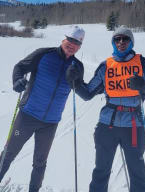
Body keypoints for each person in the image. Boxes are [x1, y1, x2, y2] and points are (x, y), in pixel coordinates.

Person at [66, 25, 145, 192]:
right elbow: (88, 93)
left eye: (125, 38)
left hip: (134, 126)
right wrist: (74, 82)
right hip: (107, 126)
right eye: (117, 39)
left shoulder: (143, 63)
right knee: (101, 171)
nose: (121, 42)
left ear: (131, 41)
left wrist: (144, 88)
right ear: (113, 42)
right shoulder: (106, 66)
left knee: (137, 173)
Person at [0, 25, 85, 192]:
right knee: (9, 152)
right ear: (63, 39)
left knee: (40, 162)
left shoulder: (77, 66)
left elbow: (81, 89)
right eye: (70, 40)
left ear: (80, 46)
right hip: (26, 117)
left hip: (50, 123)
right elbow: (20, 67)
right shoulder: (43, 54)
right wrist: (17, 80)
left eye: (77, 42)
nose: (72, 44)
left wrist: (77, 81)